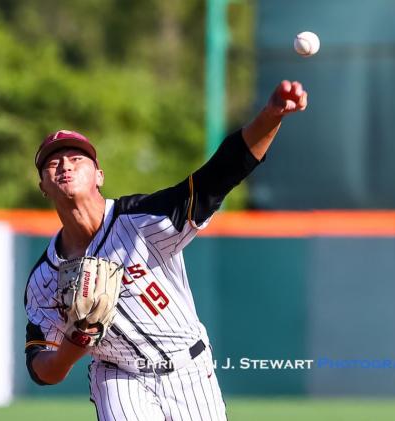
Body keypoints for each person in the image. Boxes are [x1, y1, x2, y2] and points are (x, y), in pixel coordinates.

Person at [24, 80, 308, 420]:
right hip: (119, 374)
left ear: (99, 175)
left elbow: (219, 175)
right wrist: (73, 345)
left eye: (75, 158)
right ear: (43, 186)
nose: (65, 166)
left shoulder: (141, 220)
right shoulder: (45, 277)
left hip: (188, 367)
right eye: (52, 163)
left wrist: (271, 115)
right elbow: (42, 370)